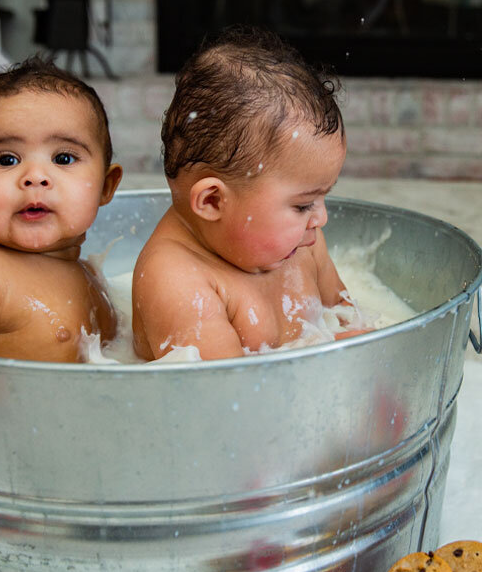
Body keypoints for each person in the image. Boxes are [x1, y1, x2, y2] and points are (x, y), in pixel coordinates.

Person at [133, 27, 357, 362]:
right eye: (302, 205)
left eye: (322, 198)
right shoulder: (177, 284)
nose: (320, 217)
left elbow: (346, 313)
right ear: (213, 201)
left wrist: (356, 337)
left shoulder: (302, 242)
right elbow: (226, 401)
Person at [0, 57, 123, 361]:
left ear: (106, 187)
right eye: (6, 160)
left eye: (64, 158)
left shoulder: (89, 274)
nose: (36, 176)